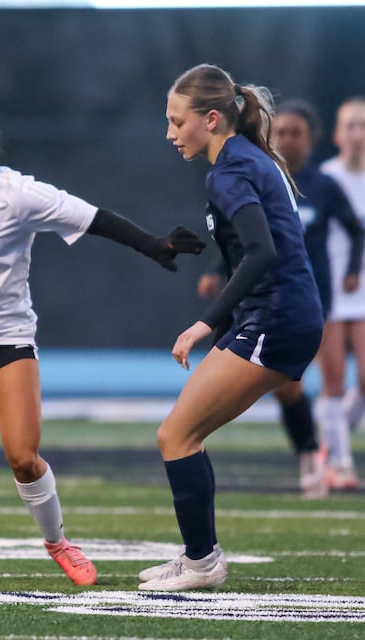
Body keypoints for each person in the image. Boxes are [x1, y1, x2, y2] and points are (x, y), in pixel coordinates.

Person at [0, 95, 206, 586]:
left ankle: (58, 542)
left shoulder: (17, 194)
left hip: (7, 336)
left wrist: (151, 243)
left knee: (24, 458)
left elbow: (91, 217)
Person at [137, 65, 324, 592]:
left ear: (211, 119)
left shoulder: (230, 170)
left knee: (176, 434)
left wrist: (203, 323)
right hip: (280, 315)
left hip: (277, 318)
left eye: (178, 122)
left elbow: (263, 251)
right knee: (184, 435)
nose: (171, 133)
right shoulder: (241, 159)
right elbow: (260, 245)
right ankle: (200, 556)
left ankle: (201, 562)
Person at [195, 98, 364, 499]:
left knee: (306, 381)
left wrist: (352, 270)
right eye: (281, 133)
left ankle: (325, 454)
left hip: (310, 297)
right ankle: (316, 452)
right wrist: (216, 271)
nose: (288, 141)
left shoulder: (322, 185)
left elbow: (355, 229)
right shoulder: (266, 175)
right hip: (263, 297)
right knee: (290, 385)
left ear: (312, 139)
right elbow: (247, 234)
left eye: (296, 133)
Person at [318, 97, 365, 489]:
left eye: (363, 126)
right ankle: (342, 464)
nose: (357, 134)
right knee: (333, 380)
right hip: (329, 291)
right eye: (350, 125)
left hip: (363, 291)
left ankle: (330, 441)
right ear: (337, 134)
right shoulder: (324, 179)